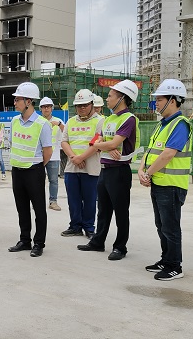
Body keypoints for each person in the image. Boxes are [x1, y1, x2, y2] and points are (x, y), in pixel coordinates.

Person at [78, 79, 140, 261]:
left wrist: (105, 145)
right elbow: (96, 141)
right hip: (104, 169)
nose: (107, 99)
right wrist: (106, 145)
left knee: (121, 211)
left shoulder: (128, 119)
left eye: (110, 95)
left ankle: (120, 247)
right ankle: (98, 242)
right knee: (103, 209)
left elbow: (110, 143)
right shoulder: (108, 119)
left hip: (119, 170)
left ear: (122, 98)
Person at [138, 80, 191, 280]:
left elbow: (168, 154)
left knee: (170, 227)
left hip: (171, 185)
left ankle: (175, 266)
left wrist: (148, 173)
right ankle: (166, 259)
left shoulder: (180, 124)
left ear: (173, 100)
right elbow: (150, 150)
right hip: (159, 182)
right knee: (161, 225)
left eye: (159, 100)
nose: (156, 104)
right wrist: (142, 169)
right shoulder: (162, 124)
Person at [7, 83, 53, 257]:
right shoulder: (14, 121)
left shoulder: (42, 124)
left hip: (34, 171)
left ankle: (39, 243)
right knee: (22, 208)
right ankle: (25, 240)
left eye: (17, 99)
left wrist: (36, 165)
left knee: (39, 209)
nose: (15, 102)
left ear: (28, 101)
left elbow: (47, 151)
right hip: (17, 171)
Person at [61, 89, 103, 239]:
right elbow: (64, 141)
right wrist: (74, 157)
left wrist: (81, 158)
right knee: (73, 199)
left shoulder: (100, 121)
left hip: (91, 168)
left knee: (90, 200)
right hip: (72, 167)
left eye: (85, 105)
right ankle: (75, 226)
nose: (82, 108)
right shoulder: (71, 121)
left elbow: (97, 144)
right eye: (79, 105)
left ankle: (89, 227)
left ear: (92, 104)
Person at [39, 96, 65, 211]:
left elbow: (66, 133)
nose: (46, 109)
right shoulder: (37, 121)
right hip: (39, 155)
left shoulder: (58, 121)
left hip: (54, 156)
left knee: (53, 180)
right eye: (44, 107)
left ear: (52, 108)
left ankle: (53, 201)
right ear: (40, 108)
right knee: (38, 180)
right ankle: (38, 201)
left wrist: (59, 124)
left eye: (48, 106)